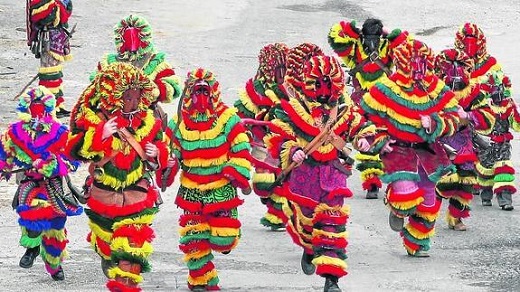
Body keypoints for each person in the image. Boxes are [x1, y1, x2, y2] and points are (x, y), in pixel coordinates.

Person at [264, 55, 366, 292]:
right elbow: (280, 136)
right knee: (307, 224)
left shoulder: (344, 109)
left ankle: (332, 279)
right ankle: (309, 248)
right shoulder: (292, 108)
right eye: (318, 83)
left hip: (333, 175)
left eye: (328, 83)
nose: (323, 90)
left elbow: (360, 127)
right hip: (304, 178)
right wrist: (294, 151)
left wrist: (363, 139)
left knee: (332, 223)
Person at [67, 62, 170, 291]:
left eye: (136, 97)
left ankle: (125, 285)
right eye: (127, 97)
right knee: (106, 245)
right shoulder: (94, 119)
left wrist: (157, 154)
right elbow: (75, 151)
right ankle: (108, 255)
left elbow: (162, 149)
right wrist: (100, 135)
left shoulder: (149, 121)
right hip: (103, 197)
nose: (132, 102)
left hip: (137, 196)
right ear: (115, 97)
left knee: (132, 251)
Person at [358, 39, 460, 257]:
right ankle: (396, 204)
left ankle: (416, 244)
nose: (419, 68)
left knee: (429, 201)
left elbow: (455, 116)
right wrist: (379, 140)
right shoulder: (386, 89)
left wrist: (435, 123)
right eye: (414, 63)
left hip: (428, 151)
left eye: (423, 62)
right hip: (399, 151)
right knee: (405, 196)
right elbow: (366, 118)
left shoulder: (435, 88)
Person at [161, 68, 253, 292]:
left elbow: (241, 148)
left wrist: (235, 169)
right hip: (191, 191)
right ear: (189, 93)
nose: (201, 96)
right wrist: (169, 164)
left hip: (221, 187)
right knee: (194, 240)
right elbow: (169, 154)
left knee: (224, 240)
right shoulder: (178, 124)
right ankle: (202, 281)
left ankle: (227, 235)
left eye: (205, 90)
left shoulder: (228, 118)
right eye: (197, 91)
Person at [0, 86, 82, 280]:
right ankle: (32, 247)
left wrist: (49, 165)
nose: (37, 114)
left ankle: (54, 264)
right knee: (31, 211)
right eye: (32, 108)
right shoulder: (15, 132)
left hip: (54, 184)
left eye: (40, 108)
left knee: (55, 227)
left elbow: (72, 160)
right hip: (30, 182)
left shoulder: (60, 132)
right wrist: (3, 166)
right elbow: (5, 152)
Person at [328, 19, 409, 199]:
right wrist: (352, 29)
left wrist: (390, 33)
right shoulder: (355, 46)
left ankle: (396, 178)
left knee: (390, 137)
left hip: (384, 100)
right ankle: (371, 180)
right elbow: (335, 37)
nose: (372, 42)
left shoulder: (387, 46)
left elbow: (408, 48)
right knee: (365, 135)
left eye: (376, 38)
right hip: (363, 100)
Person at [434, 48, 495, 230]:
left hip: (464, 140)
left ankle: (456, 217)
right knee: (442, 179)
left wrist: (468, 115)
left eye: (460, 67)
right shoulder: (432, 88)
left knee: (466, 180)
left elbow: (488, 116)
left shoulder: (474, 91)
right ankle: (427, 215)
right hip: (439, 139)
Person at [91, 14, 182, 131]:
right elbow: (95, 85)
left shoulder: (155, 61)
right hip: (114, 118)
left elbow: (172, 86)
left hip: (147, 117)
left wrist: (151, 92)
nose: (132, 41)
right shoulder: (109, 62)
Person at [235, 43, 290, 230]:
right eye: (278, 69)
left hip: (286, 141)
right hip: (261, 142)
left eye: (285, 68)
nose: (282, 74)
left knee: (284, 176)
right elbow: (242, 114)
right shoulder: (256, 89)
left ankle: (278, 213)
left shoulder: (293, 88)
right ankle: (271, 201)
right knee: (262, 182)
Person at [474, 71, 519, 210]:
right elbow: (477, 124)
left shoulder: (509, 106)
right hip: (487, 143)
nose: (497, 91)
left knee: (504, 170)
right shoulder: (483, 106)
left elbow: (516, 125)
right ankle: (486, 196)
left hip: (503, 143)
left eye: (499, 88)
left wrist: (516, 112)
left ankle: (505, 201)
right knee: (486, 170)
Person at [26, 0, 74, 118]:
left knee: (56, 72)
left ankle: (57, 105)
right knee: (48, 72)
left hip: (59, 36)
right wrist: (55, 6)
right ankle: (48, 106)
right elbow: (39, 15)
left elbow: (66, 11)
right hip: (47, 36)